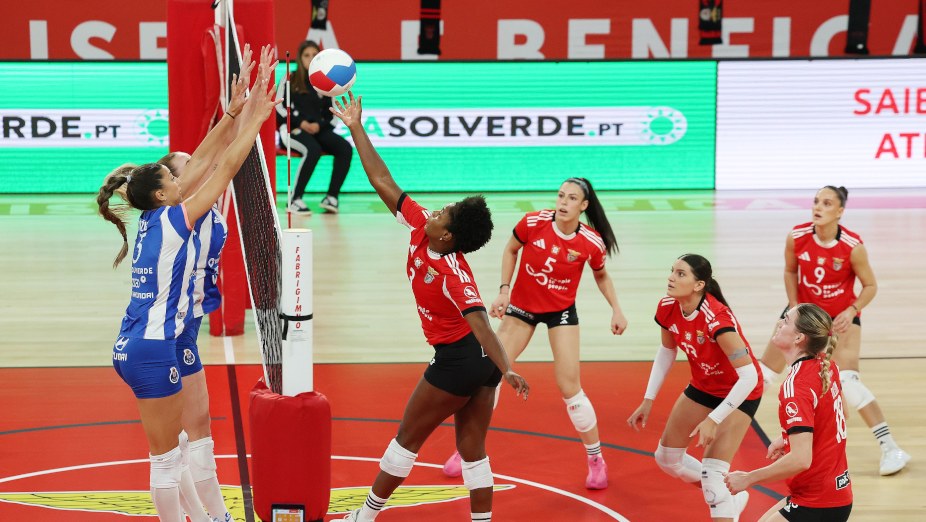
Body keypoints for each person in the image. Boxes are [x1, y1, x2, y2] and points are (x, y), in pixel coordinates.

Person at [329, 92, 529, 522]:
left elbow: (482, 327)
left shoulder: (455, 276)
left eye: (445, 213)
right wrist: (355, 126)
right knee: (471, 448)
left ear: (448, 237)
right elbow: (383, 182)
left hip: (461, 359)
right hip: (480, 364)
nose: (436, 210)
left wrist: (508, 367)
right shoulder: (422, 228)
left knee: (407, 438)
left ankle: (364, 517)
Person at [97, 53, 278, 522]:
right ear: (163, 192)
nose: (182, 176)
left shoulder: (158, 216)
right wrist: (254, 123)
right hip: (150, 347)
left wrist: (235, 113)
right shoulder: (176, 221)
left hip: (160, 338)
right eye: (173, 176)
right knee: (165, 459)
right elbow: (219, 171)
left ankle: (211, 518)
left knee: (183, 444)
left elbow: (201, 162)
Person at [442, 177, 628, 489]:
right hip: (522, 309)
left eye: (571, 199)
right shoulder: (533, 223)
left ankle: (596, 459)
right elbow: (510, 249)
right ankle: (467, 451)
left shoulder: (591, 243)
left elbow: (601, 275)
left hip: (561, 312)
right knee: (489, 374)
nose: (563, 203)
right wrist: (504, 291)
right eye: (560, 196)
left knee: (570, 387)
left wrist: (617, 309)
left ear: (583, 206)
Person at [755, 185, 910, 476]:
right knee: (763, 375)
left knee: (849, 384)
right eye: (816, 201)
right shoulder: (797, 236)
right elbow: (790, 271)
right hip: (803, 314)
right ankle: (725, 426)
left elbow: (871, 286)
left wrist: (851, 311)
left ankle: (891, 448)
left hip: (838, 320)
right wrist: (793, 306)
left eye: (826, 203)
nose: (818, 207)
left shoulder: (853, 246)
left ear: (840, 211)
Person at [627, 254, 761, 522]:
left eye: (680, 274)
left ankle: (721, 496)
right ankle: (729, 497)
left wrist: (714, 419)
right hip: (703, 386)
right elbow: (667, 351)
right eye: (672, 271)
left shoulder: (718, 321)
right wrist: (648, 399)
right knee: (666, 459)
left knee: (712, 477)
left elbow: (748, 377)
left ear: (699, 284)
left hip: (739, 392)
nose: (671, 277)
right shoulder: (667, 307)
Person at [725, 304, 852, 522]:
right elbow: (839, 414)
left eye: (785, 320)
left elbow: (801, 460)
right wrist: (788, 437)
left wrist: (748, 479)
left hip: (817, 501)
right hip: (832, 493)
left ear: (798, 338)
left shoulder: (796, 386)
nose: (779, 324)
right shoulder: (825, 366)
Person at [276, 40, 353, 214]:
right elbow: (279, 106)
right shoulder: (290, 78)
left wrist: (319, 125)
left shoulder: (327, 80)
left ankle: (332, 197)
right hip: (292, 130)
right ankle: (294, 199)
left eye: (314, 55)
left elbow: (332, 114)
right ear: (300, 58)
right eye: (306, 55)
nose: (310, 59)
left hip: (319, 130)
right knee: (313, 149)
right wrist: (301, 123)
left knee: (345, 148)